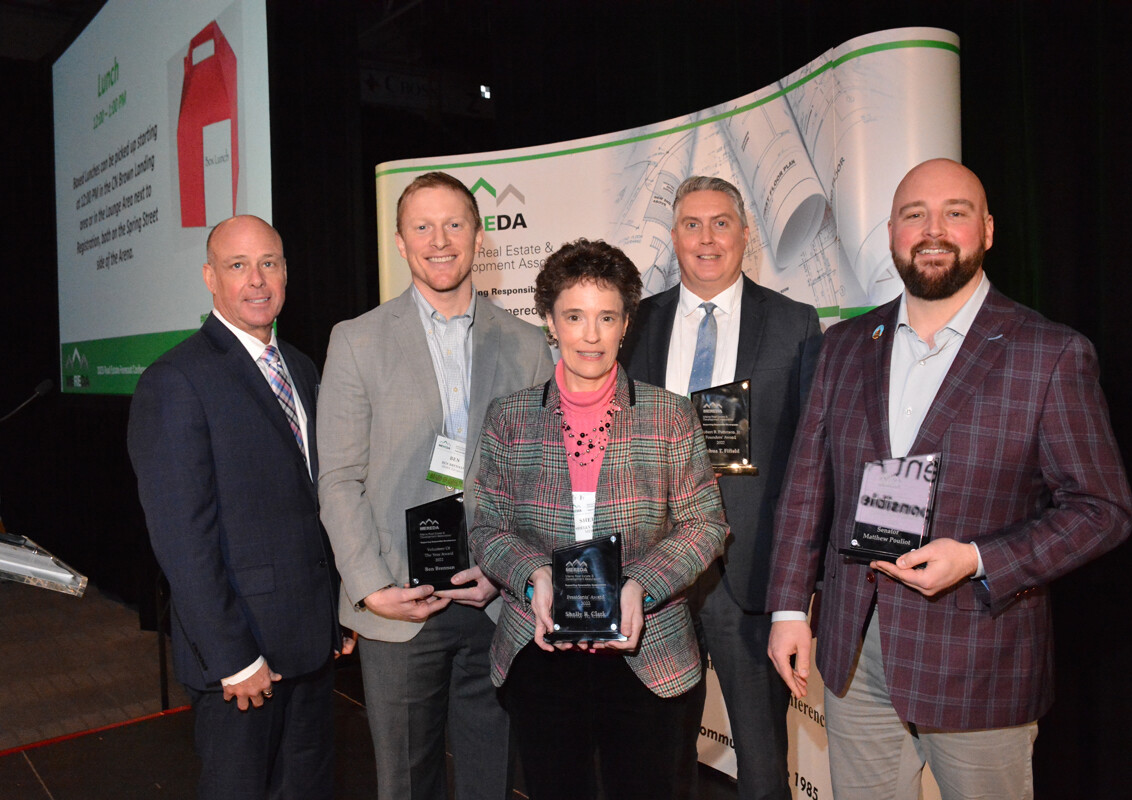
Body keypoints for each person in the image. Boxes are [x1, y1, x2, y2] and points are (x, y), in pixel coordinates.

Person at [767, 158, 1132, 799]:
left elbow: (1102, 508)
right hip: (858, 652)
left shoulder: (1049, 354)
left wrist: (976, 557)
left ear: (987, 230)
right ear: (891, 233)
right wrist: (789, 609)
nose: (933, 230)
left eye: (955, 213)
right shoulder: (844, 346)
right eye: (914, 215)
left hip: (979, 660)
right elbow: (807, 486)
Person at [317, 171, 553, 799]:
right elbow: (338, 479)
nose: (439, 240)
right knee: (406, 784)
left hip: (494, 602)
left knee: (491, 778)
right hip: (397, 605)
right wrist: (370, 590)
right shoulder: (357, 340)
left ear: (480, 237)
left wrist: (508, 574)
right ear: (400, 241)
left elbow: (537, 481)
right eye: (422, 226)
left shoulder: (529, 345)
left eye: (454, 224)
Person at [470, 238, 729, 800]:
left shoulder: (669, 414)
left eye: (606, 317)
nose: (590, 335)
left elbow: (705, 523)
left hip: (647, 654)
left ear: (626, 323)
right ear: (549, 321)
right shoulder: (510, 418)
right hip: (541, 654)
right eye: (574, 316)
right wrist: (536, 574)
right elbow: (487, 525)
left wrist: (642, 585)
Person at [620, 175, 822, 799]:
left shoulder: (793, 323)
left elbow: (812, 459)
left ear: (744, 234)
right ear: (674, 237)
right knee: (655, 753)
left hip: (748, 573)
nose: (706, 238)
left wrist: (801, 581)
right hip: (652, 572)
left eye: (721, 223)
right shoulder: (636, 322)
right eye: (691, 224)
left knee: (762, 761)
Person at [128, 215, 342, 799]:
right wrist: (233, 657)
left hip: (309, 647)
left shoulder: (301, 367)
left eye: (269, 263)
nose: (256, 280)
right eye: (237, 265)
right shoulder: (176, 380)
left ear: (286, 273)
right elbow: (182, 540)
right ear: (209, 277)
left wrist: (333, 610)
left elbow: (312, 501)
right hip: (244, 660)